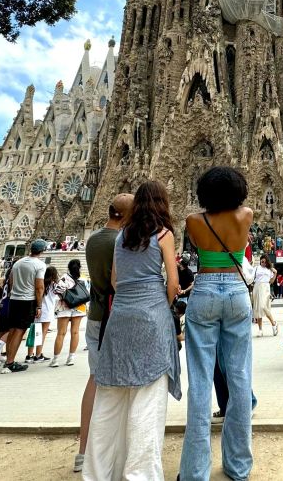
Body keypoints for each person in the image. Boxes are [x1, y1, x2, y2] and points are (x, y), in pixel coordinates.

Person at [84, 181, 181, 481]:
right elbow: (173, 284)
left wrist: (129, 297)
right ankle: (140, 475)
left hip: (120, 318)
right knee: (147, 400)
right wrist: (158, 303)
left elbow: (114, 280)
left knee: (109, 397)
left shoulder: (121, 236)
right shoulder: (164, 235)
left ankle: (97, 474)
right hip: (151, 317)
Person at [179, 166, 254, 481]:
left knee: (199, 382)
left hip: (206, 289)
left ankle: (196, 472)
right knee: (239, 379)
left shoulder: (194, 222)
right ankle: (238, 467)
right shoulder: (245, 216)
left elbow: (194, 253)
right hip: (237, 294)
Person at [74, 193, 132, 474]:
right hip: (116, 317)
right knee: (120, 386)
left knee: (95, 380)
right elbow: (120, 283)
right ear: (126, 216)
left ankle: (83, 451)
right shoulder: (119, 242)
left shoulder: (94, 238)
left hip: (96, 316)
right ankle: (111, 453)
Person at [1, 239, 48, 373]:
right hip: (27, 300)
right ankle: (10, 363)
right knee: (19, 331)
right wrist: (39, 306)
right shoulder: (39, 265)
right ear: (42, 251)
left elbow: (10, 280)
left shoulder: (18, 262)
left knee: (12, 330)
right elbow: (39, 287)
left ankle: (8, 360)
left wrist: (13, 292)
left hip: (14, 299)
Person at [51, 259, 87, 367]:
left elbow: (57, 291)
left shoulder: (64, 278)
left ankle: (56, 359)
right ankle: (71, 358)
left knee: (61, 333)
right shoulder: (84, 278)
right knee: (75, 332)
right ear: (79, 267)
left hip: (64, 307)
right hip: (79, 307)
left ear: (69, 267)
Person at [28, 266, 59, 363]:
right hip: (47, 310)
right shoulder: (54, 285)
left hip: (38, 308)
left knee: (34, 332)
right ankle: (38, 355)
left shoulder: (40, 283)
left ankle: (29, 355)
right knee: (42, 334)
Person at [251, 255, 278, 337]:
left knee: (263, 306)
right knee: (258, 308)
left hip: (266, 287)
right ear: (260, 261)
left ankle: (274, 324)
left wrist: (275, 273)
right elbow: (251, 278)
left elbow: (271, 281)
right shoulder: (256, 268)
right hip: (257, 287)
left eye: (265, 262)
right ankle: (260, 330)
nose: (263, 263)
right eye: (262, 261)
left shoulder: (269, 270)